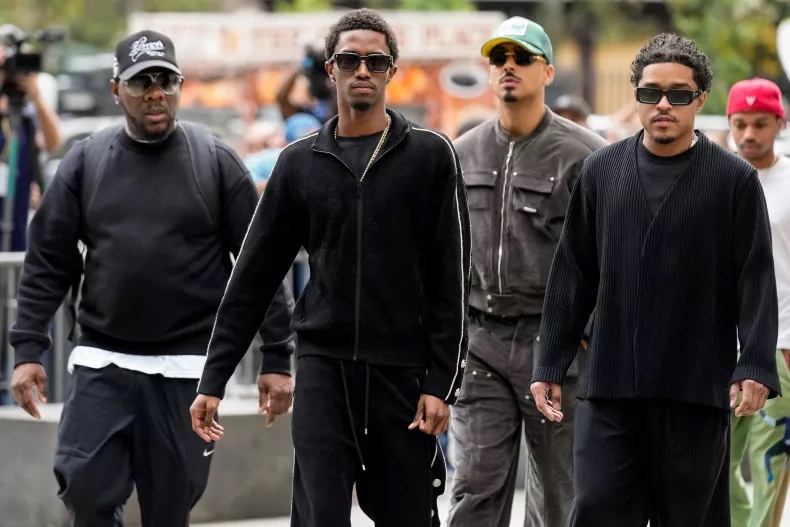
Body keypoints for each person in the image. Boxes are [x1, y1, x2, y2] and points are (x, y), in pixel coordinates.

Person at [189, 8, 471, 527]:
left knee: (407, 514)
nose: (362, 70)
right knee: (319, 516)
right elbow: (252, 276)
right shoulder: (300, 163)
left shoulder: (431, 156)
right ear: (330, 69)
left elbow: (452, 281)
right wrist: (215, 377)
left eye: (374, 61)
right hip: (324, 370)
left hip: (402, 376)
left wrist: (440, 383)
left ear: (392, 70)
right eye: (349, 60)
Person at [8, 29, 296, 526]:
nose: (155, 92)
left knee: (169, 507)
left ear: (181, 85)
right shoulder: (86, 161)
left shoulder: (215, 162)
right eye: (142, 83)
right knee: (85, 488)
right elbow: (47, 261)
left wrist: (277, 357)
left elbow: (260, 267)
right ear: (118, 89)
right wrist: (28, 348)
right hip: (104, 361)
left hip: (187, 373)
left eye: (166, 80)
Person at [531, 33, 781, 527]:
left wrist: (754, 363)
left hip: (694, 388)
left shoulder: (733, 181)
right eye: (650, 93)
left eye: (679, 94)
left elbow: (754, 278)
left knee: (689, 518)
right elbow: (573, 273)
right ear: (637, 97)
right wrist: (550, 363)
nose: (663, 104)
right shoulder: (601, 171)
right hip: (610, 386)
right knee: (598, 509)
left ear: (700, 99)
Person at [447, 16, 607, 527]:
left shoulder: (588, 156)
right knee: (473, 488)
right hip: (481, 342)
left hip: (555, 345)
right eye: (499, 58)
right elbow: (441, 253)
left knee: (562, 496)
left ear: (548, 71)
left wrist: (584, 333)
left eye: (522, 58)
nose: (509, 67)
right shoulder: (461, 151)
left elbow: (612, 257)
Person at [726, 77, 790, 527]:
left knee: (770, 465)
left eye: (760, 124)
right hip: (721, 344)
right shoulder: (716, 179)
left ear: (778, 123)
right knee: (714, 459)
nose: (750, 134)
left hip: (782, 343)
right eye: (741, 123)